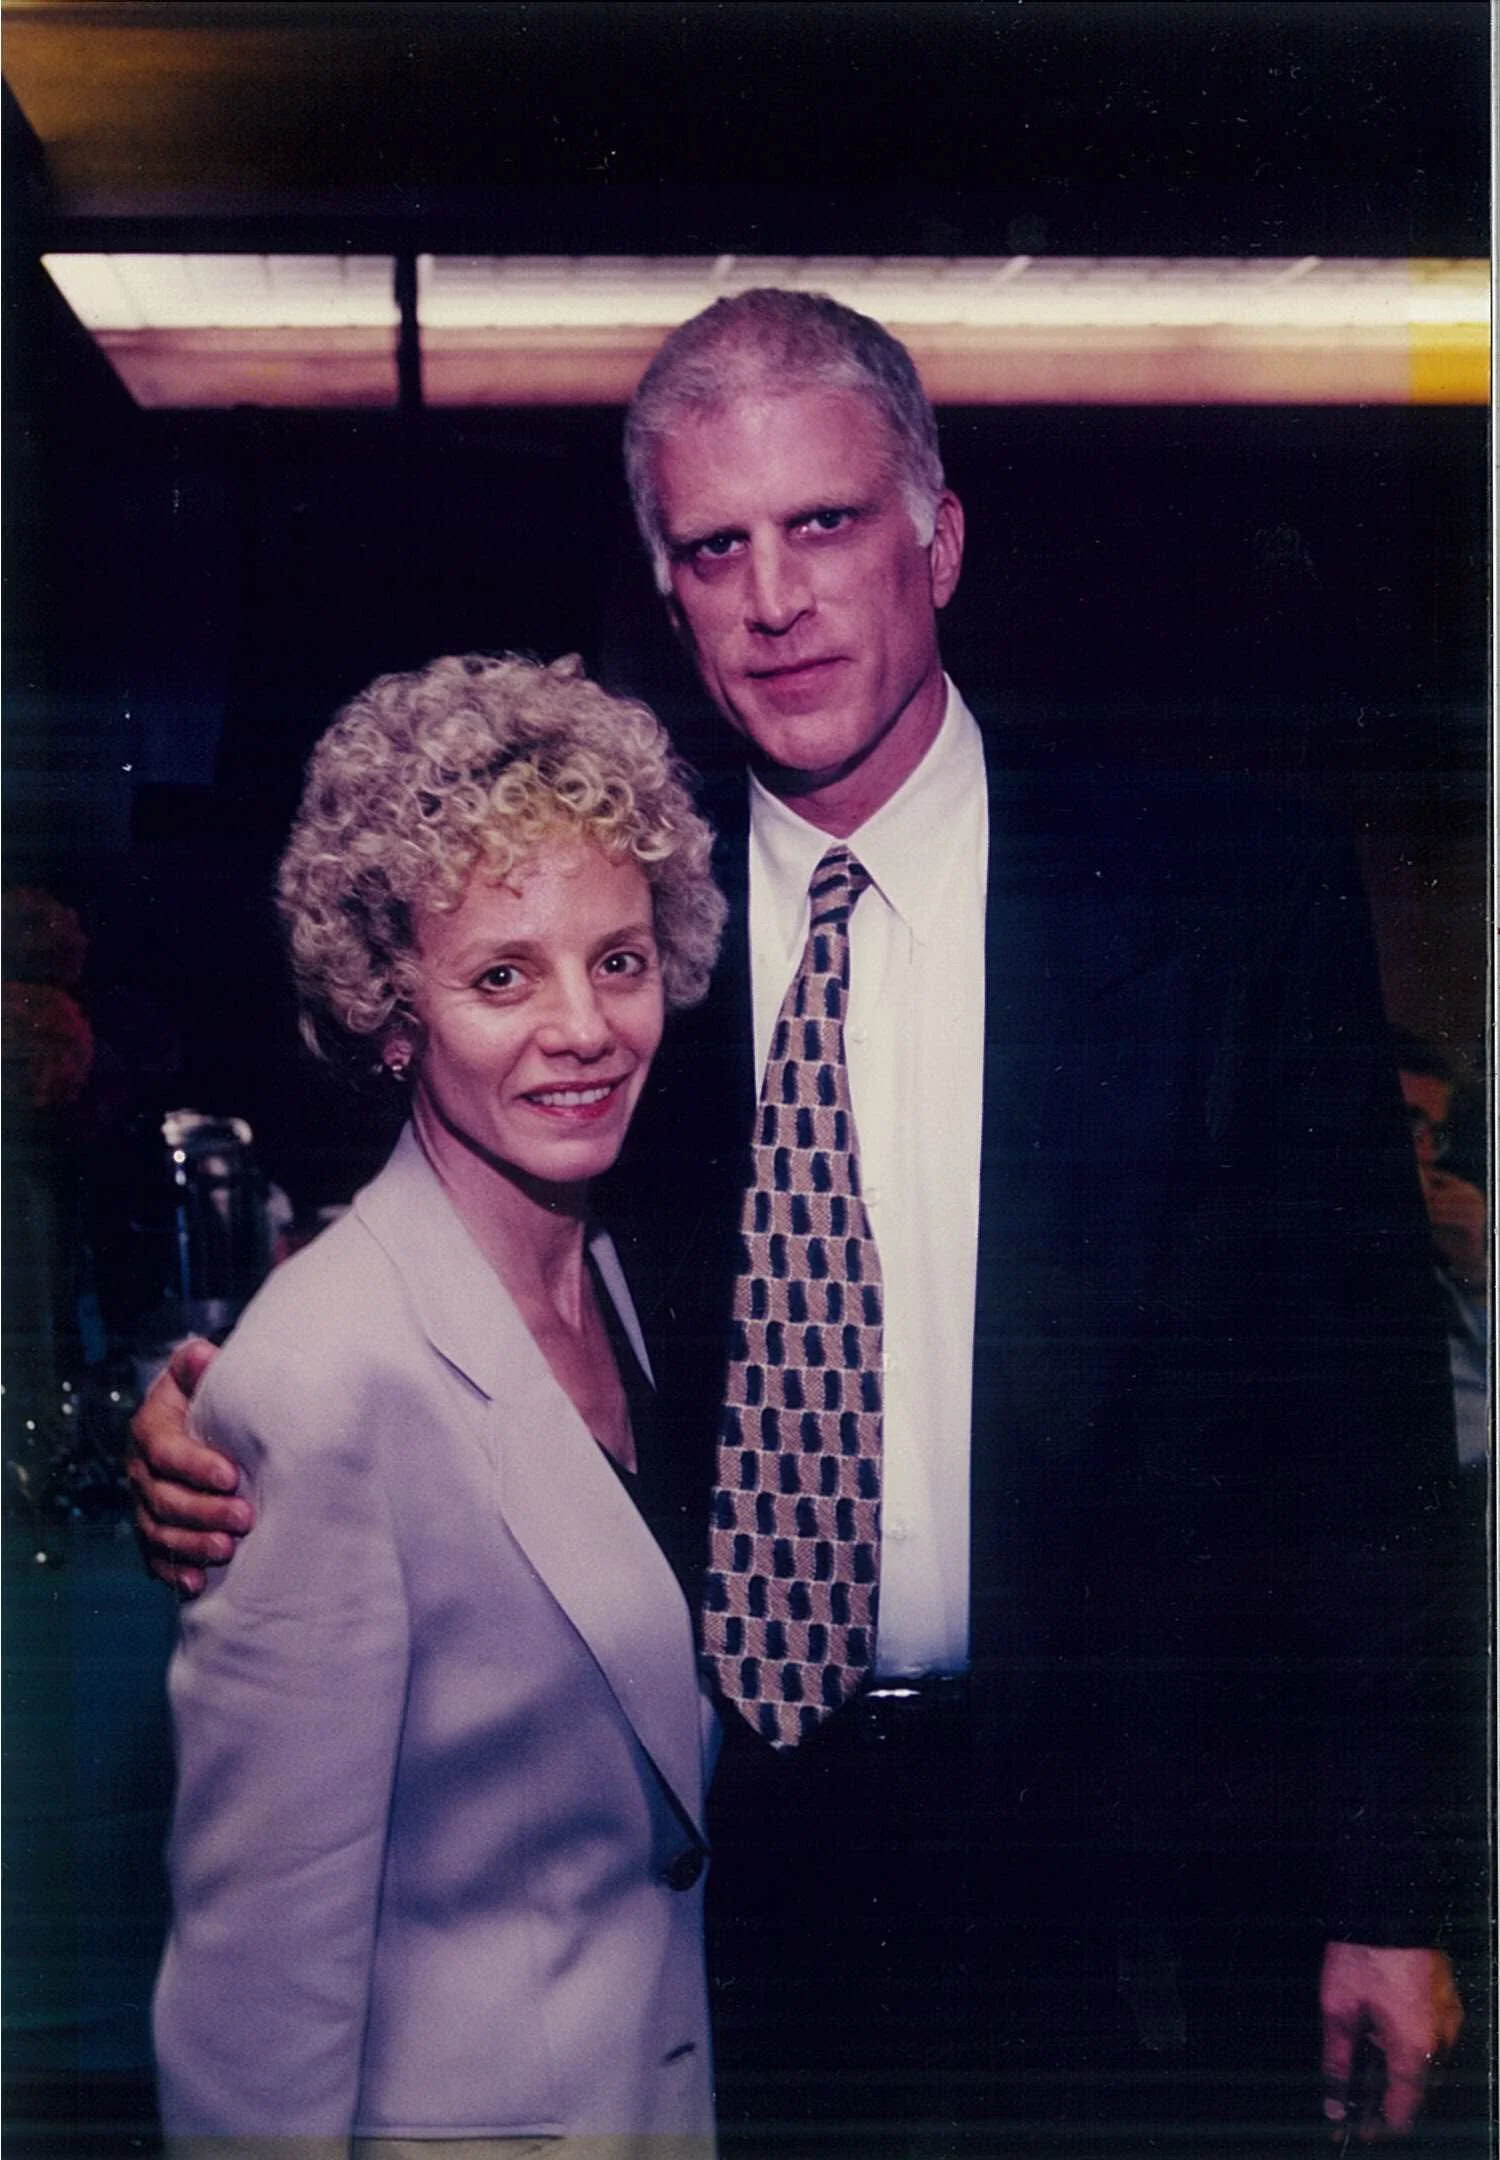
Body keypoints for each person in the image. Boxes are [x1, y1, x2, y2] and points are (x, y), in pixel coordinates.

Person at [133, 294, 1469, 2147]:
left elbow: (1372, 1429)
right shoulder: (622, 949)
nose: (773, 597)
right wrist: (207, 1400)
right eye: (714, 547)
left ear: (940, 538)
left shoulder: (1221, 898)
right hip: (739, 1891)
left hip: (1138, 1895)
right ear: (667, 594)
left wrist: (1393, 1887)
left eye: (825, 524)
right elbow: (419, 1226)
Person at [150, 651, 726, 2158]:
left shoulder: (622, 1277)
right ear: (390, 1008)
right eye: (499, 975)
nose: (583, 1029)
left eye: (616, 958)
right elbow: (255, 1994)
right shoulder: (324, 1374)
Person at [1392, 1029, 1489, 1475]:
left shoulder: (1445, 1248)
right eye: (1412, 1126)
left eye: (1436, 1133)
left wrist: (1474, 1270)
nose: (1428, 1155)